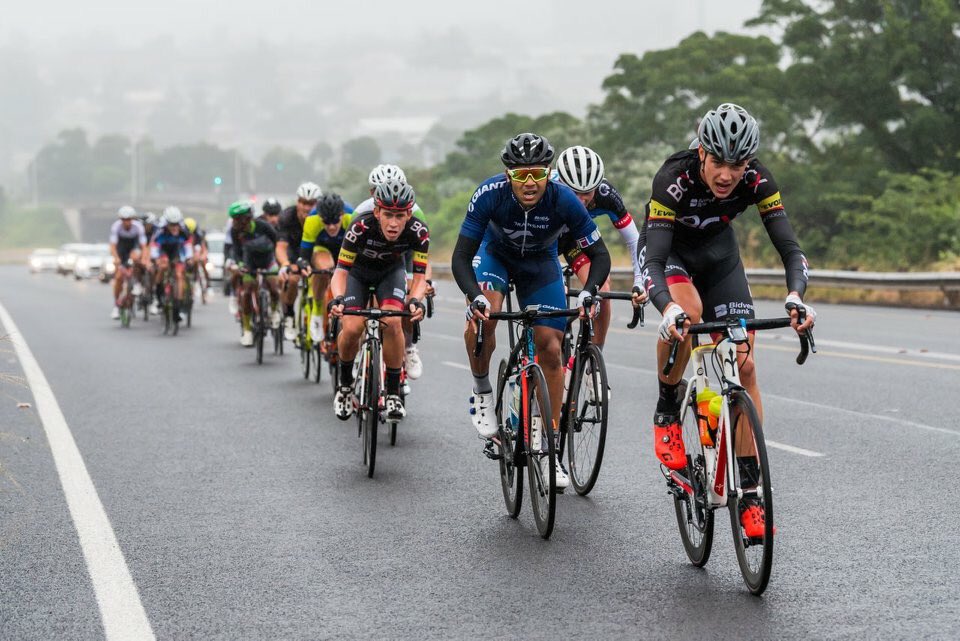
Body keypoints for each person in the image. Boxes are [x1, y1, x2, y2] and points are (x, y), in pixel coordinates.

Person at [637, 103, 816, 537]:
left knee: (746, 365)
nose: (726, 175)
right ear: (702, 153)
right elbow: (655, 261)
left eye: (736, 165)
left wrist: (796, 296)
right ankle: (666, 411)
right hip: (671, 255)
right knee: (690, 314)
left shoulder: (758, 180)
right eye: (718, 162)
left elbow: (790, 249)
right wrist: (668, 307)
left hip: (720, 258)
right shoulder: (673, 179)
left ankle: (750, 496)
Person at [451, 133, 611, 489]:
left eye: (537, 174)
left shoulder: (564, 199)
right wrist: (473, 295)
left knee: (551, 347)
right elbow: (461, 257)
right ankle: (481, 391)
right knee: (486, 316)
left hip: (540, 264)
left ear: (548, 173)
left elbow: (600, 256)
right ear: (507, 174)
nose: (528, 182)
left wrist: (588, 292)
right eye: (520, 174)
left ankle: (551, 449)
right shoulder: (489, 195)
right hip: (496, 256)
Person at [329, 179, 428, 422]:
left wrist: (415, 300)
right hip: (357, 274)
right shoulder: (359, 226)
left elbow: (420, 276)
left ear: (408, 214)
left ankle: (393, 393)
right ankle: (344, 386)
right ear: (377, 212)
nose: (394, 223)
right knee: (352, 327)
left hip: (390, 273)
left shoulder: (419, 231)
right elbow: (341, 271)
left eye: (399, 216)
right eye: (388, 215)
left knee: (393, 321)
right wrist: (338, 299)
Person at [554, 145, 645, 357]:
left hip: (575, 242)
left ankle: (592, 357)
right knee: (552, 295)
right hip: (544, 241)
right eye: (573, 192)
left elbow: (634, 239)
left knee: (601, 289)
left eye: (586, 193)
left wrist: (640, 281)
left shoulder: (606, 195)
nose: (580, 200)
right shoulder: (549, 190)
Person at [352, 165, 431, 381]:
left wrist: (423, 283)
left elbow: (421, 258)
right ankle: (362, 350)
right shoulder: (361, 213)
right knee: (361, 312)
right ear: (373, 195)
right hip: (367, 257)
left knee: (404, 305)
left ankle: (409, 347)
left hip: (400, 256)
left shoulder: (416, 213)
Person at [297, 192, 352, 343]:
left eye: (335, 221)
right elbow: (305, 253)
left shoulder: (351, 217)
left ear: (342, 214)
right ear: (320, 217)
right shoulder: (312, 220)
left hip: (345, 249)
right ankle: (316, 311)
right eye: (326, 222)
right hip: (322, 249)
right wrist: (304, 264)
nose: (332, 226)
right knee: (325, 268)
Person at [228, 200, 281, 347]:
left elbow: (277, 242)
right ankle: (247, 330)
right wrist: (239, 265)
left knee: (274, 287)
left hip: (268, 260)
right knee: (246, 291)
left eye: (238, 219)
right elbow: (237, 251)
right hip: (249, 263)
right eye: (234, 219)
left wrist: (279, 262)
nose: (236, 222)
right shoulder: (235, 231)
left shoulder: (263, 226)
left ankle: (275, 311)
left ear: (248, 218)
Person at [276, 182, 322, 340]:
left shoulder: (322, 216)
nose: (307, 208)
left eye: (311, 203)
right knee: (293, 279)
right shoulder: (287, 217)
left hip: (314, 252)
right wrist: (285, 264)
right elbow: (281, 246)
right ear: (298, 202)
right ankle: (289, 314)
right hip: (293, 253)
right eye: (303, 203)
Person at [149, 206, 193, 319]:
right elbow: (154, 245)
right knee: (162, 267)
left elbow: (187, 245)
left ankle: (178, 304)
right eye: (171, 224)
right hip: (164, 249)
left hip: (177, 250)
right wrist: (155, 258)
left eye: (176, 224)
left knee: (179, 275)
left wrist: (189, 257)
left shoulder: (183, 230)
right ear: (166, 223)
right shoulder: (160, 229)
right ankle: (158, 296)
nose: (174, 227)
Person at [108, 206, 148, 319]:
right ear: (121, 220)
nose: (127, 222)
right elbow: (113, 246)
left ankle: (137, 283)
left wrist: (144, 258)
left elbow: (144, 246)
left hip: (133, 246)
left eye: (129, 219)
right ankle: (116, 306)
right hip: (121, 248)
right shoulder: (116, 227)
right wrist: (116, 258)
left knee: (136, 258)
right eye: (124, 219)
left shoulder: (138, 227)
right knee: (119, 277)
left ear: (133, 219)